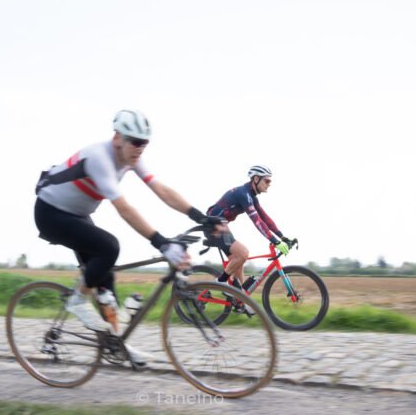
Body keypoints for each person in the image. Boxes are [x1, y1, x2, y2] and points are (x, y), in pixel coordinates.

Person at [34, 110, 221, 364]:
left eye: (144, 143)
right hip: (51, 213)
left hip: (76, 215)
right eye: (135, 141)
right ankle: (77, 301)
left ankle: (116, 344)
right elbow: (124, 208)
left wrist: (200, 217)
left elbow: (161, 190)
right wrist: (161, 243)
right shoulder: (99, 158)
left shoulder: (131, 157)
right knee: (109, 247)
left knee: (105, 276)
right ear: (117, 138)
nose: (140, 148)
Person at [204, 165, 296, 290]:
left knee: (238, 261)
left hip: (221, 226)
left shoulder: (251, 196)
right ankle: (220, 282)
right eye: (267, 181)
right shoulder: (244, 194)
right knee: (243, 253)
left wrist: (282, 237)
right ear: (256, 179)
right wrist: (275, 241)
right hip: (213, 227)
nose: (269, 184)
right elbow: (257, 221)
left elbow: (265, 218)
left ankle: (239, 297)